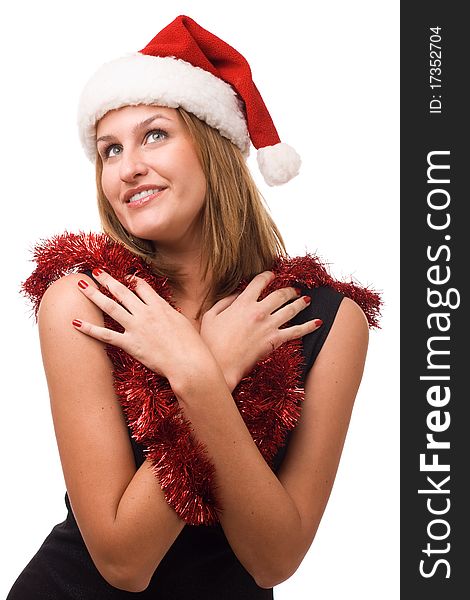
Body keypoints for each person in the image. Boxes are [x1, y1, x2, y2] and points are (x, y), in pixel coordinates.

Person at [7, 15, 380, 600]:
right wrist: (214, 367)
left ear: (213, 145)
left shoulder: (328, 322)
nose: (126, 168)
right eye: (109, 150)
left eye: (154, 134)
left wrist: (199, 380)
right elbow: (122, 561)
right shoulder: (84, 302)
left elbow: (274, 559)